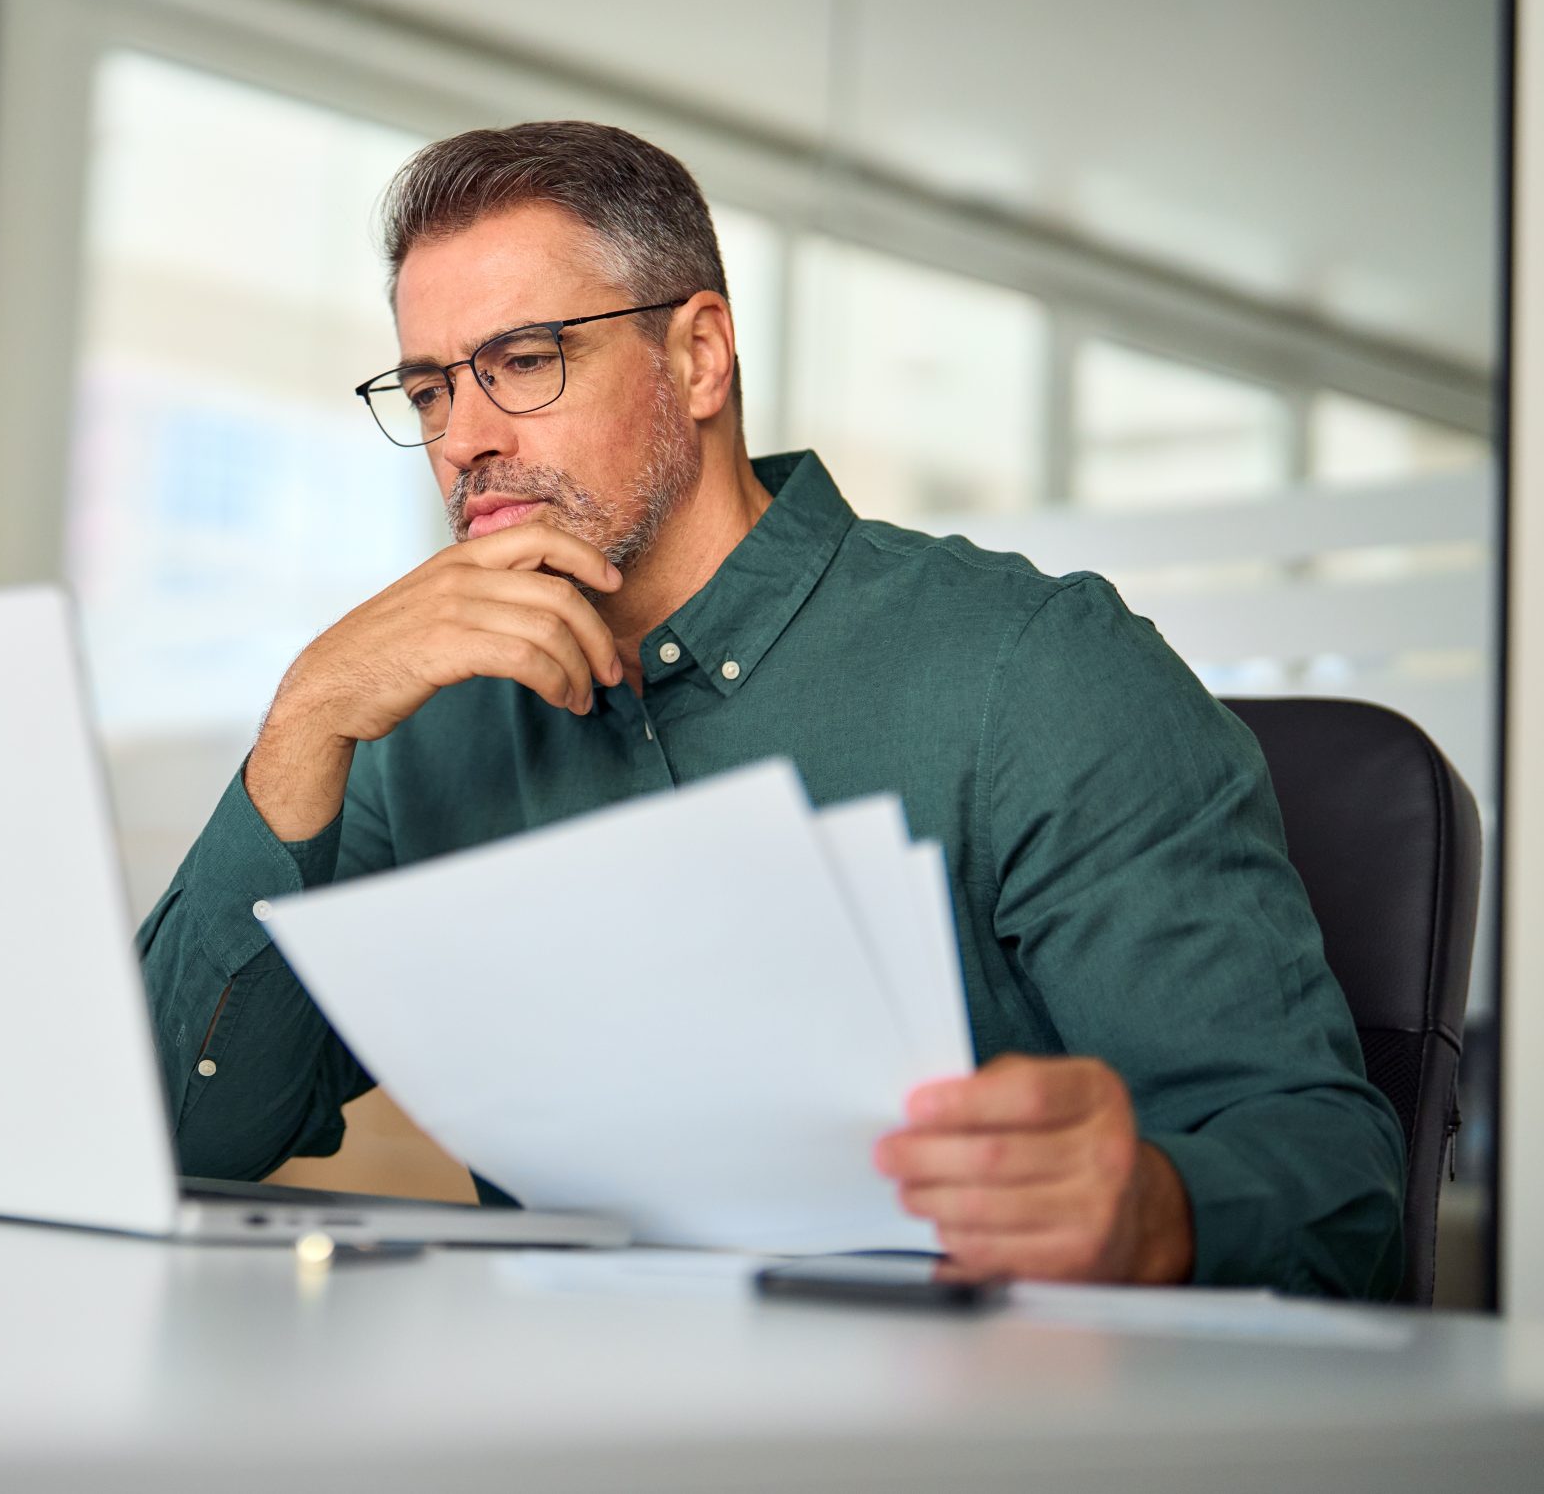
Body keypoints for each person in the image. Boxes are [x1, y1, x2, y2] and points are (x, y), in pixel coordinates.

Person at [133, 120, 1404, 1297]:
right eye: (426, 391)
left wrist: (1152, 1209)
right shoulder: (428, 727)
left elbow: (1337, 1187)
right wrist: (303, 722)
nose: (462, 437)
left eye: (522, 363)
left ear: (697, 355)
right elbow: (180, 1136)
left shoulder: (1032, 670)